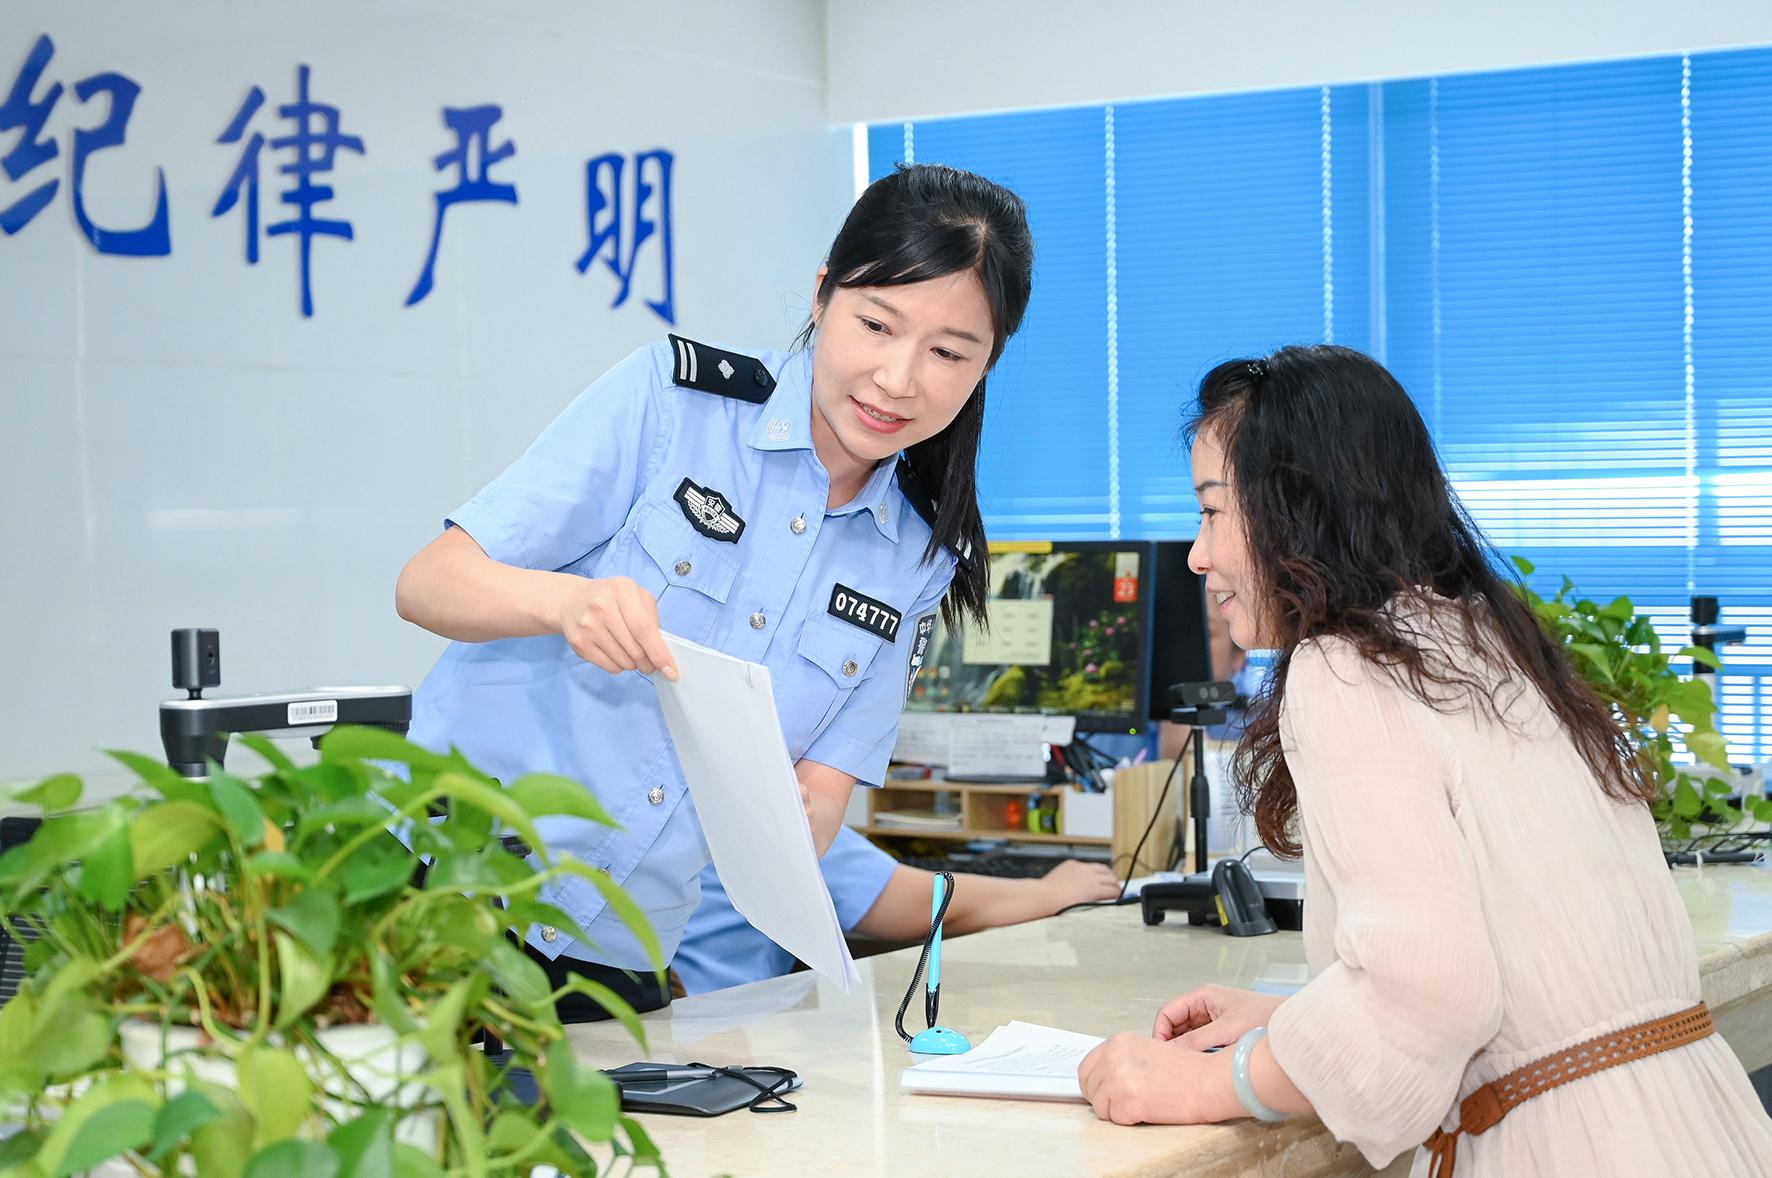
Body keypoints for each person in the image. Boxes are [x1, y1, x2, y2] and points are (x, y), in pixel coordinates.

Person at [1077, 347, 1772, 1175]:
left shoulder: (1346, 668)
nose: (1198, 555)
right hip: (1689, 1126)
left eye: (1213, 511)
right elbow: (1512, 962)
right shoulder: (1482, 640)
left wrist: (1210, 1083)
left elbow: (1432, 996)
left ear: (1297, 506)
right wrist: (1295, 1028)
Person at [394, 164, 1034, 1021]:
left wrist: (784, 823)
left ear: (987, 364)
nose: (898, 377)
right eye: (876, 325)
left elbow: (816, 806)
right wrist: (565, 605)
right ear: (823, 295)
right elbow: (427, 583)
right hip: (433, 890)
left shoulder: (919, 560)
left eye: (949, 353)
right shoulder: (673, 402)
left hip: (613, 963)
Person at [671, 826, 1120, 994]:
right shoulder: (759, 807)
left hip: (657, 1031)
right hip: (710, 1040)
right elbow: (915, 906)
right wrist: (1049, 891)